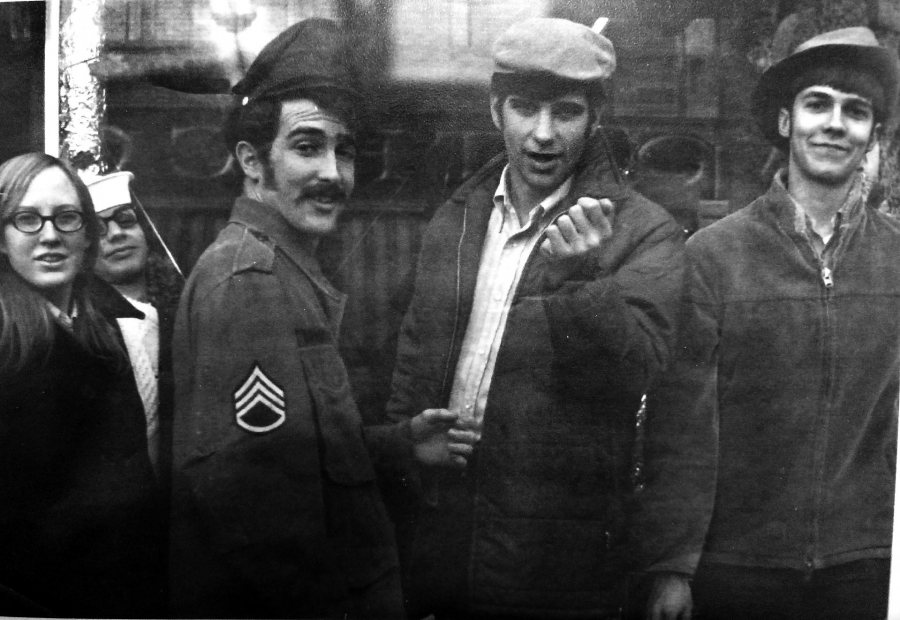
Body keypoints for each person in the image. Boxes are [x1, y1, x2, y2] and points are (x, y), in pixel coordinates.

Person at [169, 18, 474, 619]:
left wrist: (399, 448)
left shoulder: (284, 270)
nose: (333, 173)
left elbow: (298, 454)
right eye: (308, 147)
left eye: (345, 150)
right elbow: (260, 513)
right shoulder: (249, 281)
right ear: (252, 161)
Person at [385, 17, 685, 619]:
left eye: (567, 112)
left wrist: (582, 283)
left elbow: (640, 378)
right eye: (525, 108)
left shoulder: (642, 229)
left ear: (595, 118)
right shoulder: (458, 218)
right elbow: (414, 366)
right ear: (496, 110)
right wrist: (402, 451)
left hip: (558, 562)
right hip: (445, 540)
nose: (543, 134)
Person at [635, 27, 900, 620]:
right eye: (818, 104)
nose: (835, 124)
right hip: (738, 568)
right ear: (785, 123)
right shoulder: (714, 255)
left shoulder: (897, 259)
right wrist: (672, 567)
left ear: (873, 136)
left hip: (867, 567)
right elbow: (683, 427)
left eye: (856, 112)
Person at [0, 152, 165, 617]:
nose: (49, 236)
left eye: (67, 218)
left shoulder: (113, 330)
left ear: (88, 234)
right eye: (26, 219)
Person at [88, 170, 183, 481]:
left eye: (126, 220)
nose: (116, 234)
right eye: (99, 230)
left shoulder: (183, 306)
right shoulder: (84, 326)